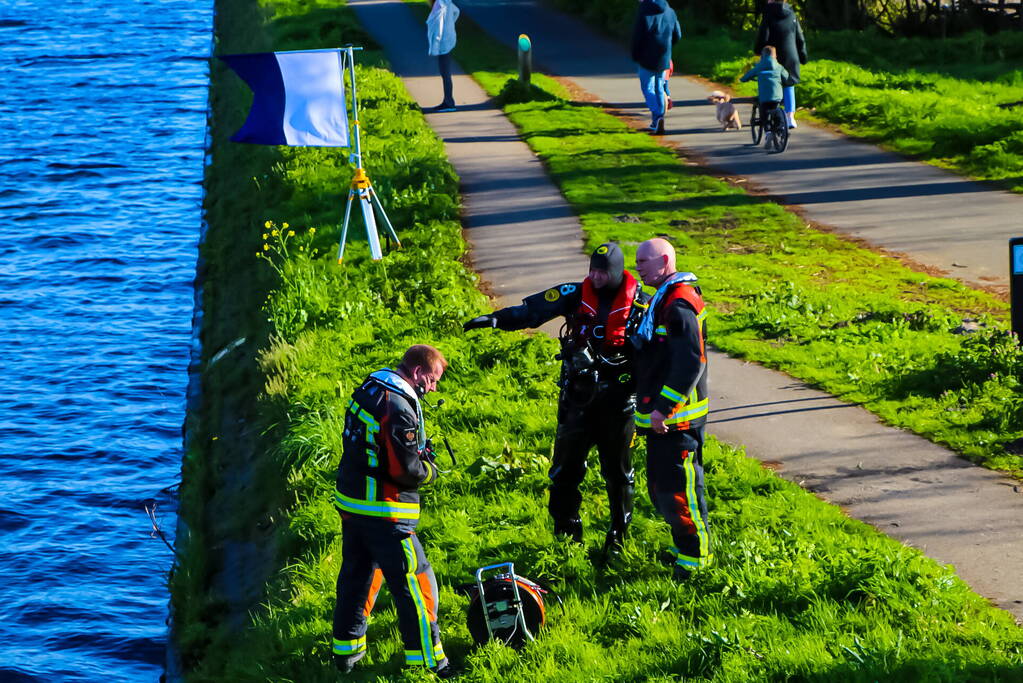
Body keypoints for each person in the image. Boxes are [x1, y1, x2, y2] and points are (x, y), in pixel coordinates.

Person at [463, 243, 649, 556]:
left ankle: (618, 538)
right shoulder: (573, 294)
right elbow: (532, 311)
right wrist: (496, 319)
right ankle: (567, 537)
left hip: (618, 403)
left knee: (618, 475)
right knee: (564, 473)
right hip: (578, 400)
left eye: (602, 271)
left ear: (616, 272)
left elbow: (657, 350)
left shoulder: (642, 305)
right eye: (593, 269)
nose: (596, 276)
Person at [332, 344, 456, 678]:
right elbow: (405, 470)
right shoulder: (399, 407)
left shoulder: (371, 387)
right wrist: (430, 470)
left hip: (351, 501)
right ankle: (430, 663)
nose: (433, 388)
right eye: (432, 380)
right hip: (384, 510)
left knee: (357, 575)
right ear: (417, 372)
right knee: (416, 581)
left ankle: (346, 655)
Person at [631, 238, 710, 582]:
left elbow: (690, 362)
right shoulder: (662, 298)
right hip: (663, 420)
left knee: (681, 492)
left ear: (665, 261)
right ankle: (682, 550)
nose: (638, 268)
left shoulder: (677, 305)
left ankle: (696, 562)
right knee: (663, 491)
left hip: (676, 421)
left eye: (644, 262)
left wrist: (664, 408)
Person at [753, 0, 808, 129]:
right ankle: (790, 116)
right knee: (789, 83)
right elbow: (799, 38)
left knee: (770, 82)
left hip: (772, 56)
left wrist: (757, 50)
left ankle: (772, 114)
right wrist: (803, 56)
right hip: (790, 56)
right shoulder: (792, 15)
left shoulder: (768, 14)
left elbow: (763, 36)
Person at [630, 0, 681, 136]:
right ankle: (657, 121)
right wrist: (667, 48)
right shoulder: (670, 11)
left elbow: (638, 36)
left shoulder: (644, 11)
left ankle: (658, 116)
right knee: (659, 87)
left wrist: (635, 54)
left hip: (646, 56)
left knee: (647, 88)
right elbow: (678, 35)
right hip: (664, 56)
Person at [740, 45, 790, 145]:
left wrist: (744, 79)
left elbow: (746, 77)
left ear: (762, 55)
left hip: (764, 97)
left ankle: (768, 132)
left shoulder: (759, 66)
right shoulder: (779, 67)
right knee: (777, 110)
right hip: (777, 96)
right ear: (775, 56)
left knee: (764, 114)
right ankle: (781, 128)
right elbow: (787, 77)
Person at [426, 0, 460, 112]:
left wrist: (435, 46)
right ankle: (448, 101)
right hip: (448, 40)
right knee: (445, 73)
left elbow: (438, 26)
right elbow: (457, 12)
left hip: (443, 43)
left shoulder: (439, 4)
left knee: (445, 73)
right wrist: (450, 25)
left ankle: (449, 103)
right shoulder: (447, 2)